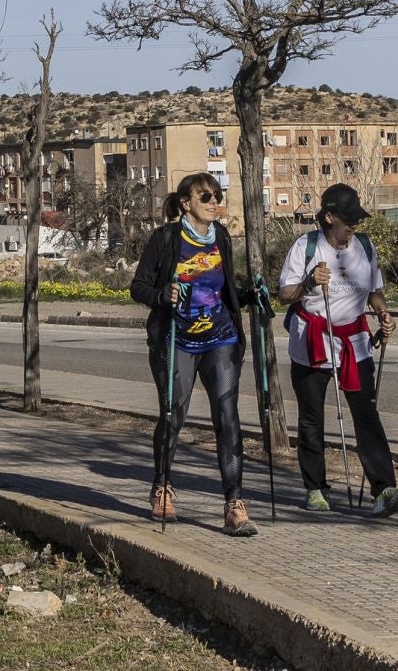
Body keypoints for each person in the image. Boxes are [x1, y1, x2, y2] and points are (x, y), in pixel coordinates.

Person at [129, 172, 258, 537]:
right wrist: (161, 295)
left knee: (228, 417)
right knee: (173, 415)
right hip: (177, 340)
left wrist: (249, 295)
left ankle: (234, 503)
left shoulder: (220, 237)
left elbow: (225, 286)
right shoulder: (167, 238)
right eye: (206, 198)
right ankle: (162, 486)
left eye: (217, 196)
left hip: (221, 338)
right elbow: (138, 287)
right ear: (186, 203)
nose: (214, 203)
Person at [279, 184, 398, 517]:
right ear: (329, 217)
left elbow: (374, 290)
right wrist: (309, 283)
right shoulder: (305, 246)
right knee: (311, 418)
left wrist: (383, 313)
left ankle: (383, 490)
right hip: (312, 341)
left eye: (356, 220)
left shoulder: (364, 246)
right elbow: (285, 295)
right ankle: (315, 488)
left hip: (355, 343)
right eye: (347, 220)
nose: (353, 227)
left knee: (367, 416)